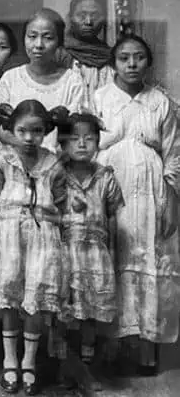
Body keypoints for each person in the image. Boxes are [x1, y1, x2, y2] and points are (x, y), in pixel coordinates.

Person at [93, 35, 180, 373]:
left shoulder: (161, 102)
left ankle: (146, 346)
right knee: (111, 257)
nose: (131, 64)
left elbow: (174, 154)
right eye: (124, 58)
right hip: (109, 186)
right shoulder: (98, 98)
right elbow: (85, 143)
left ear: (149, 62)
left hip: (150, 191)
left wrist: (171, 199)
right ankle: (111, 345)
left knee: (148, 257)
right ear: (113, 63)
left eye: (139, 57)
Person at [0, 100, 68, 395]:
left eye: (36, 131)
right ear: (11, 130)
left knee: (35, 297)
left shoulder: (54, 163)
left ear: (46, 131)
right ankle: (10, 361)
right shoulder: (2, 159)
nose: (29, 137)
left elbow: (61, 203)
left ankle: (29, 363)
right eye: (22, 130)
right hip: (9, 233)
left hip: (43, 236)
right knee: (9, 295)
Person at [57, 112, 123, 392]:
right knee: (65, 313)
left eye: (89, 139)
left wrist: (113, 254)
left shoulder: (105, 177)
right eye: (74, 139)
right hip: (65, 254)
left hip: (96, 255)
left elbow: (111, 219)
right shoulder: (57, 176)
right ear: (62, 144)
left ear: (98, 142)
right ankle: (64, 367)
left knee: (91, 315)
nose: (82, 144)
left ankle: (87, 366)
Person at [0, 9, 85, 152]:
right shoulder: (11, 78)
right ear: (24, 39)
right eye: (32, 36)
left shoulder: (72, 81)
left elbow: (75, 128)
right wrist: (24, 146)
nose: (38, 44)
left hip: (56, 164)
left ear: (59, 42)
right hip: (15, 160)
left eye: (48, 37)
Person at [59, 0, 113, 110]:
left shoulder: (111, 57)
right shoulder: (59, 54)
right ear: (71, 17)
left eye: (95, 16)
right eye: (81, 15)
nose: (88, 21)